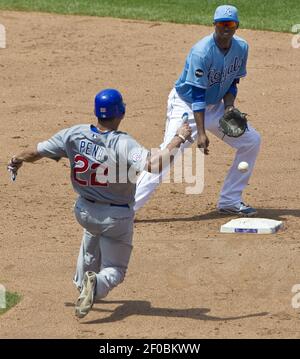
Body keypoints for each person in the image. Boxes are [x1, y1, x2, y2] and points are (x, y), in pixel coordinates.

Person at [7, 88, 191, 318]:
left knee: (93, 231)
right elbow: (153, 165)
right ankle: (97, 284)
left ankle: (82, 281)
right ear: (121, 112)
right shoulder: (123, 143)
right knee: (115, 269)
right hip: (115, 219)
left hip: (84, 211)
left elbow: (36, 152)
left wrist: (16, 160)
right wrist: (179, 137)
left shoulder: (73, 134)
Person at [134, 5, 261, 216]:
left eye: (229, 24)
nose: (225, 28)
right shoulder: (201, 52)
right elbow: (197, 95)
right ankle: (126, 210)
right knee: (168, 155)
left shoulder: (242, 48)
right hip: (186, 105)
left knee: (251, 141)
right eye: (221, 24)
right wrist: (200, 133)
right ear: (214, 25)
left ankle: (230, 200)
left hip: (215, 106)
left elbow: (232, 82)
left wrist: (229, 107)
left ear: (237, 26)